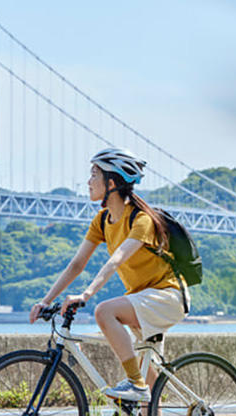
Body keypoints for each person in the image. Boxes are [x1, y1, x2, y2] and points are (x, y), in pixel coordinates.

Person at [28, 148, 188, 402]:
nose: (88, 182)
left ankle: (135, 384)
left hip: (167, 297)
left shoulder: (141, 220)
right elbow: (77, 264)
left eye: (94, 175)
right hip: (142, 298)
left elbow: (117, 259)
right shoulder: (102, 220)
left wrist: (87, 294)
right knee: (149, 380)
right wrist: (46, 301)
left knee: (104, 312)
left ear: (111, 183)